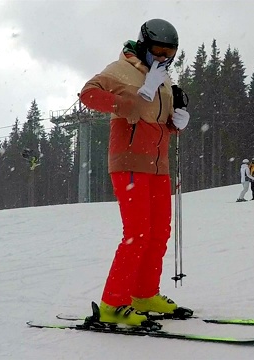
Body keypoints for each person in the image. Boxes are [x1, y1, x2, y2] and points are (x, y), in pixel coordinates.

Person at [78, 19, 190, 326]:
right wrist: (135, 97)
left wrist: (176, 122)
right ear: (143, 45)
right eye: (158, 50)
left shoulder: (163, 78)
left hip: (158, 165)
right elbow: (87, 95)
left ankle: (144, 294)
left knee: (158, 234)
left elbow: (156, 120)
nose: (164, 57)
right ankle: (113, 303)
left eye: (170, 52)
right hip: (129, 162)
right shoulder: (120, 69)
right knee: (137, 234)